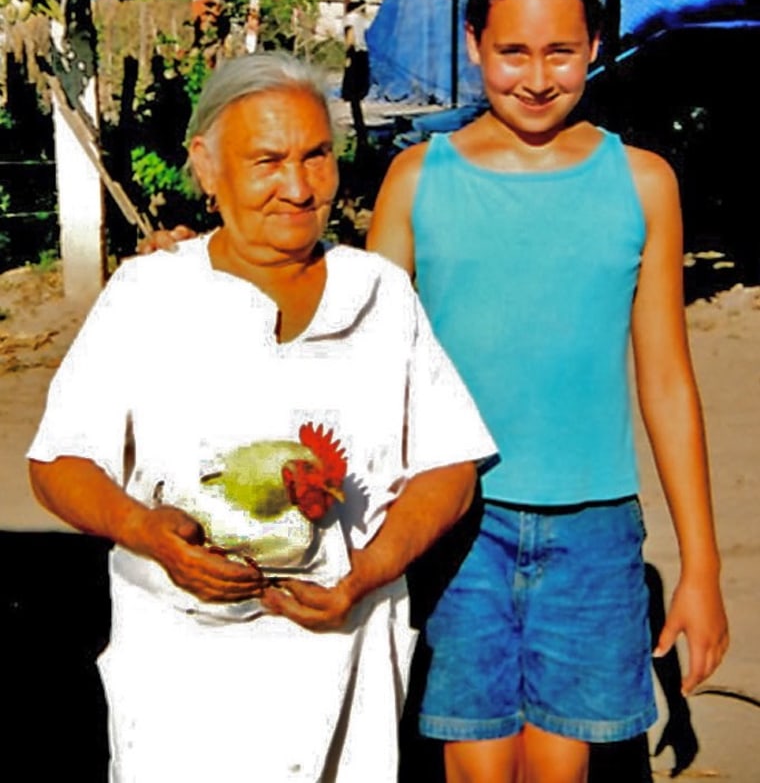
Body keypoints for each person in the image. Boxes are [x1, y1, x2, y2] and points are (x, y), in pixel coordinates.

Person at [27, 52, 497, 783]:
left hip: (346, 656)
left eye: (317, 156)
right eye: (267, 160)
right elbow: (58, 462)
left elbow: (451, 468)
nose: (298, 186)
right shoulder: (149, 295)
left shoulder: (378, 294)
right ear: (207, 168)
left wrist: (364, 572)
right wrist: (145, 529)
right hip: (184, 672)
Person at [366, 0, 729, 783]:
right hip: (457, 521)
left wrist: (700, 566)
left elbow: (667, 380)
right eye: (513, 52)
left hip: (595, 531)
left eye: (560, 52)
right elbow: (358, 349)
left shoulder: (643, 183)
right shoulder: (418, 179)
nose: (536, 77)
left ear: (596, 46)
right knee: (479, 767)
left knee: (559, 770)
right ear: (472, 45)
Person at [341, 0, 371, 152]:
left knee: (352, 93)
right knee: (359, 91)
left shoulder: (350, 19)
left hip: (355, 54)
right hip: (364, 55)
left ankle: (359, 127)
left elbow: (350, 37)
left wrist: (347, 55)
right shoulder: (363, 20)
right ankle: (360, 127)